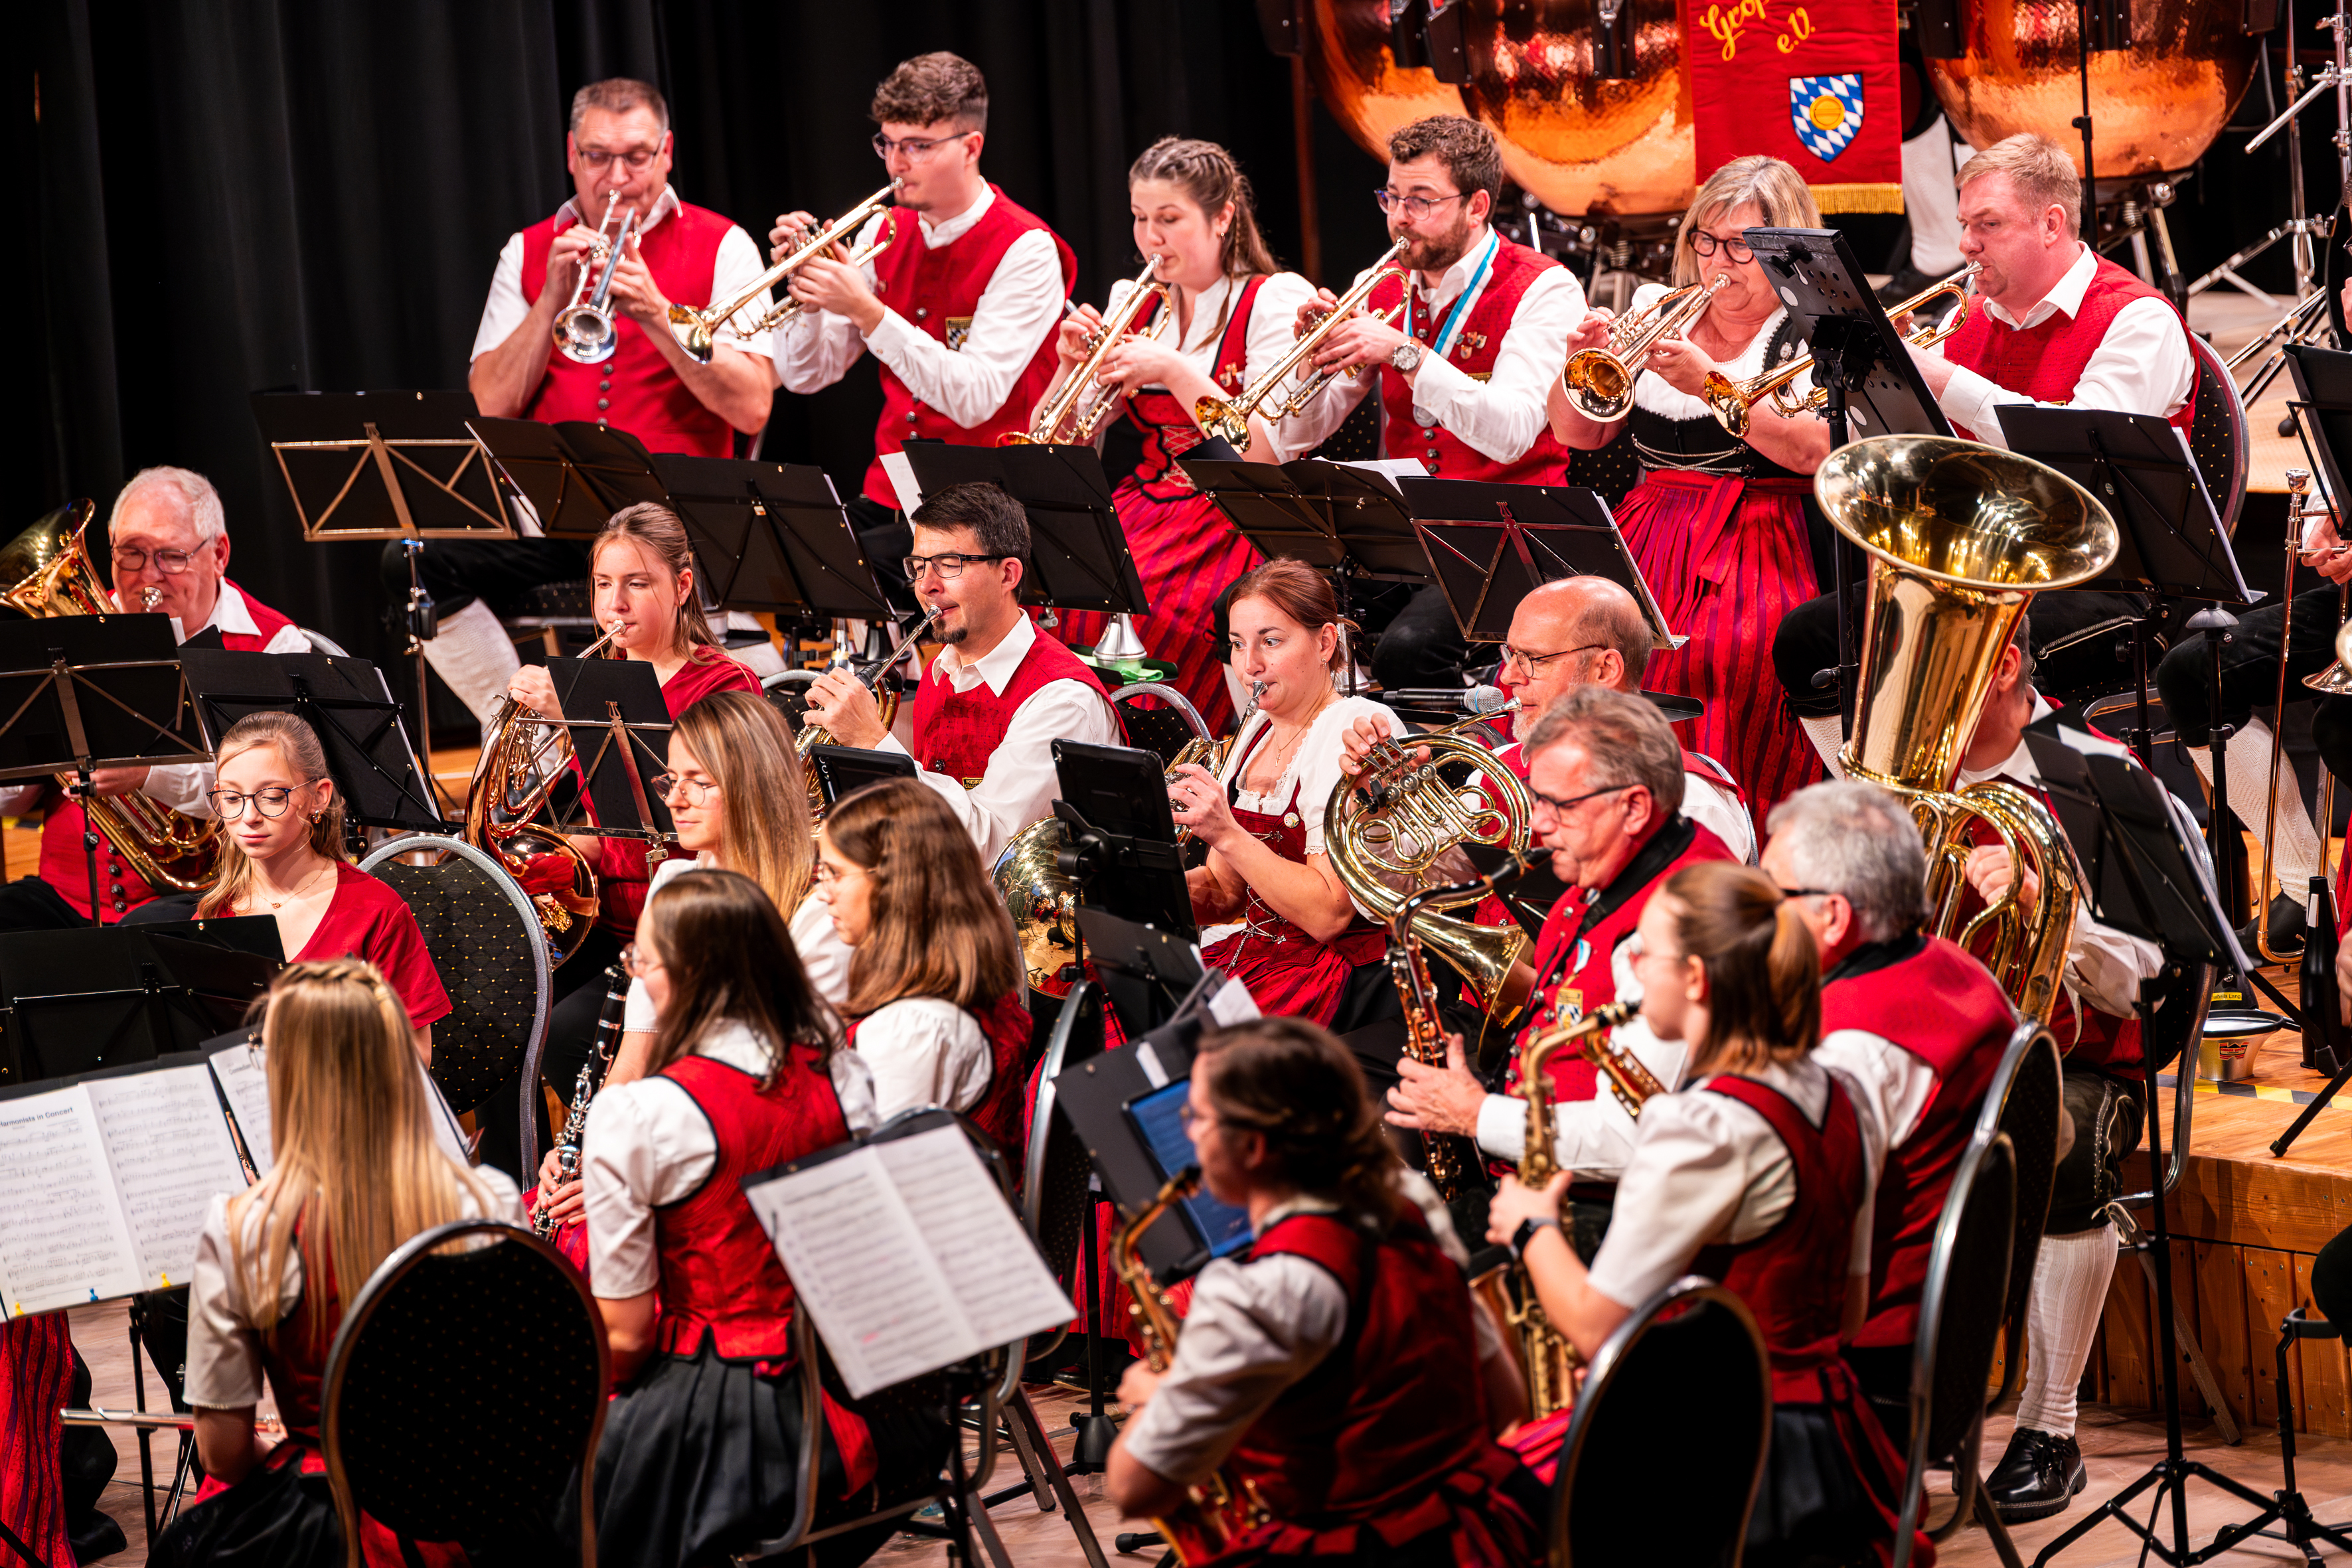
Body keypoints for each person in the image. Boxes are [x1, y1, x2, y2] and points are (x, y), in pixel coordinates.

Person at [1486, 861, 1922, 1568]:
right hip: (1831, 1431)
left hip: (1720, 1447)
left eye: (1644, 951)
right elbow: (1848, 1312)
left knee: (1483, 1506)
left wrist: (1532, 1224)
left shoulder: (1698, 1126)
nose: (1628, 964)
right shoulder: (1847, 1088)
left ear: (1694, 978)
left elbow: (1599, 1328)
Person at [1776, 133, 2192, 821]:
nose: (1967, 244)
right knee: (1808, 638)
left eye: (1988, 225)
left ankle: (2010, 828)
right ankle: (1890, 818)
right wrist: (1877, 388)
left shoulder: (2135, 319)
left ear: (2050, 223)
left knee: (1950, 655)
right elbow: (1925, 455)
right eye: (1965, 225)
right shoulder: (1968, 317)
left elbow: (2073, 456)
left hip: (2112, 573)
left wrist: (1948, 381)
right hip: (1995, 562)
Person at [576, 868, 944, 1566]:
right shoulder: (843, 1071)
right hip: (882, 1403)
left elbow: (626, 1337)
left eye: (641, 962)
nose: (636, 978)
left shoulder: (639, 1116)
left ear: (686, 976)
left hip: (737, 1430)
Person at [1107, 1016, 1546, 1567]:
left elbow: (1131, 1489)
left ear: (1254, 1145)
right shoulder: (1412, 1202)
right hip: (1477, 1532)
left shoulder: (1253, 1294)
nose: (1187, 1135)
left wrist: (1157, 1394)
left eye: (1197, 1117)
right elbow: (1505, 1403)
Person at [412, 77, 777, 724]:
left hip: (679, 528)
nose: (617, 178)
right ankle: (536, 735)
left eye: (636, 156)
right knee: (416, 563)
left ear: (667, 153)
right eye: (598, 157)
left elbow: (751, 407)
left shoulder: (724, 244)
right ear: (571, 155)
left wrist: (661, 316)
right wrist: (551, 298)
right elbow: (490, 404)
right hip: (561, 524)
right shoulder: (528, 250)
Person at [161, 958, 523, 1567]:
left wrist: (291, 1442)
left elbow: (222, 1454)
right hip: (476, 1508)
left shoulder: (245, 1226)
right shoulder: (490, 1199)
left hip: (331, 1520)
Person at [1950, 615, 2166, 1524]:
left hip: (2079, 1050)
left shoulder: (2094, 772)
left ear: (2001, 665)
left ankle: (2049, 1427)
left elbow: (2142, 975)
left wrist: (2049, 912)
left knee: (2061, 1148)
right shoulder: (1902, 771)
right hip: (1939, 1043)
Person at [1383, 686, 1737, 1230]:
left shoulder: (1676, 934)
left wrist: (1476, 1115)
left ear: (1635, 807)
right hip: (1540, 1167)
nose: (1538, 825)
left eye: (1557, 806)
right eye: (1535, 800)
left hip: (1605, 1212)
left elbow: (1630, 1138)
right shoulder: (1593, 873)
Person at [1547, 154, 1834, 823]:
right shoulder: (1658, 307)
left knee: (1727, 660)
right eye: (1705, 241)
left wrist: (1711, 382)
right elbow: (1579, 436)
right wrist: (1578, 371)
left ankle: (1733, 832)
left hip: (1761, 536)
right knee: (1594, 650)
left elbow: (1813, 451)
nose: (1717, 263)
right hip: (1649, 529)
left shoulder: (1805, 333)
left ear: (1784, 248)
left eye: (1739, 244)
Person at [1273, 114, 1588, 690]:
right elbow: (1295, 435)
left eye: (1420, 201)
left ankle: (1450, 778)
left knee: (1409, 650)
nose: (1398, 218)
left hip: (1509, 539)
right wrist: (1308, 361)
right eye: (1390, 197)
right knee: (1269, 615)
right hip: (1408, 535)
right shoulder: (1384, 281)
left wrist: (1407, 356)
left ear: (1477, 206)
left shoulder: (1544, 288)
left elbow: (1513, 430)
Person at [530, 690, 852, 1245]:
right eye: (669, 781)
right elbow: (633, 1057)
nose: (674, 800)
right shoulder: (672, 884)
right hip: (674, 1130)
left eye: (698, 782)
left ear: (753, 786)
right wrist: (587, 1151)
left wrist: (633, 1166)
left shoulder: (816, 904)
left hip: (762, 1160)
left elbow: (783, 1090)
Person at [769, 52, 1076, 604]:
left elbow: (974, 397)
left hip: (988, 512)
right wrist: (809, 293)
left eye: (916, 146)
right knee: (785, 559)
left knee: (858, 571)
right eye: (887, 143)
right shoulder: (881, 230)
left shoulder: (1026, 248)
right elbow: (806, 377)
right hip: (892, 494)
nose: (895, 164)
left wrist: (866, 310)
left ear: (970, 147)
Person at [1039, 137, 1316, 730]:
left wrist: (1172, 370)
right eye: (1140, 219)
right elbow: (1064, 447)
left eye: (1168, 219)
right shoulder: (1133, 301)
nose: (1150, 239)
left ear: (1221, 218)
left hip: (1237, 512)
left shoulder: (1271, 299)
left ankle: (1184, 752)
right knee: (1062, 589)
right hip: (1152, 500)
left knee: (1164, 612)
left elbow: (1261, 455)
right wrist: (1068, 366)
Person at [1762, 781, 2017, 1417]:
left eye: (1769, 894)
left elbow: (1806, 1239)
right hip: (1952, 1340)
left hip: (1865, 1374)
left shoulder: (1847, 1049)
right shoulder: (1957, 968)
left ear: (1832, 915)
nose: (1755, 913)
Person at [0, 467, 307, 930]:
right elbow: (13, 805)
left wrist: (147, 774)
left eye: (171, 556)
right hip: (68, 894)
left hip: (210, 892)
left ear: (219, 553)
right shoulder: (65, 634)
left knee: (145, 939)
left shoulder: (276, 645)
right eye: (132, 554)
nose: (149, 576)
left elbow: (270, 793)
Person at [507, 502, 760, 992]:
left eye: (637, 584)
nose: (614, 605)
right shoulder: (590, 678)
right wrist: (542, 857)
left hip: (683, 925)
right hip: (601, 918)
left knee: (557, 1034)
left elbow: (699, 826)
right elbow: (611, 827)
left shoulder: (726, 685)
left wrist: (579, 717)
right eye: (603, 583)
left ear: (681, 587)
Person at [1340, 574, 1755, 868]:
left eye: (1532, 660)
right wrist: (1375, 804)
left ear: (1604, 669)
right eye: (1510, 655)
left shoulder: (1689, 802)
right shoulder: (1504, 768)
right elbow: (1408, 874)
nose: (1507, 677)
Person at [803, 481, 1119, 864]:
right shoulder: (944, 668)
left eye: (949, 565)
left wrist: (871, 743)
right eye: (918, 567)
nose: (926, 587)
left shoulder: (1063, 700)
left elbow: (992, 848)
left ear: (1008, 575)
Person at [1170, 560, 1407, 1026]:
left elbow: (1327, 915)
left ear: (1324, 643)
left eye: (1270, 642)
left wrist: (1226, 832)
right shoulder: (1256, 728)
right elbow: (1226, 894)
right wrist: (1126, 889)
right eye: (1237, 645)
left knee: (1165, 1058)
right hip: (1260, 958)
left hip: (1332, 975)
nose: (1249, 665)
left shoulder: (1352, 730)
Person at [197, 712, 449, 1062]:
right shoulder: (214, 914)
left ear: (318, 797)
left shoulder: (377, 910)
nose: (249, 816)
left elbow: (416, 1053)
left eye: (271, 797)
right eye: (231, 798)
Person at [813, 778, 1031, 1146]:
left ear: (894, 884)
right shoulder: (968, 984)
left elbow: (880, 1173)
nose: (821, 892)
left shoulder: (911, 1030)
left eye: (834, 874)